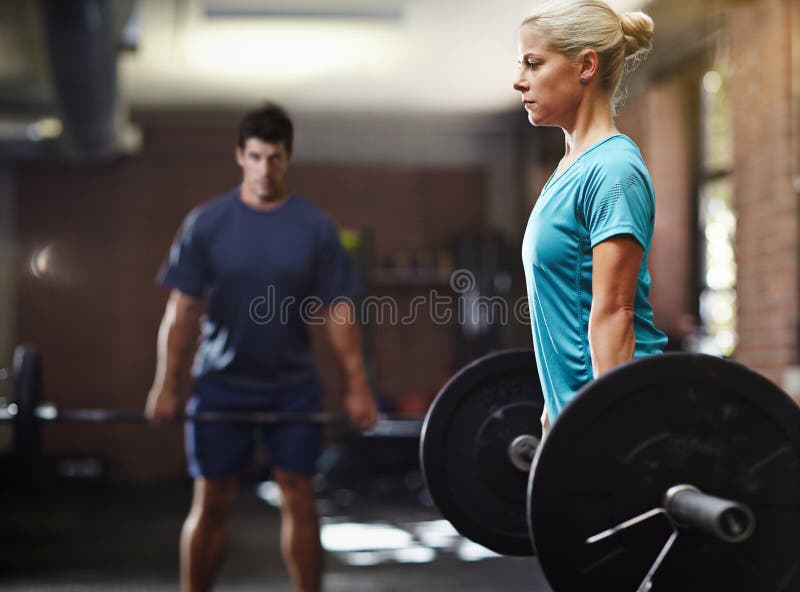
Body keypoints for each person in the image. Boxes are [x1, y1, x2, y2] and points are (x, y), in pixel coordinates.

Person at [144, 103, 378, 592]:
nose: (264, 169)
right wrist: (167, 385)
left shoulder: (315, 228)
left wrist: (358, 388)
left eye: (274, 158)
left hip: (291, 386)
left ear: (287, 158)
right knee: (212, 498)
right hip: (221, 384)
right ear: (239, 156)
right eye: (255, 157)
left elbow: (339, 314)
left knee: (298, 495)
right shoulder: (206, 223)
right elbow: (181, 312)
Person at [513, 0, 668, 432]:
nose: (517, 80)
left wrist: (603, 438)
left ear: (585, 65)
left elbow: (614, 313)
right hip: (576, 415)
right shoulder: (570, 168)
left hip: (618, 420)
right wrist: (552, 412)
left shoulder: (613, 169)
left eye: (533, 63)